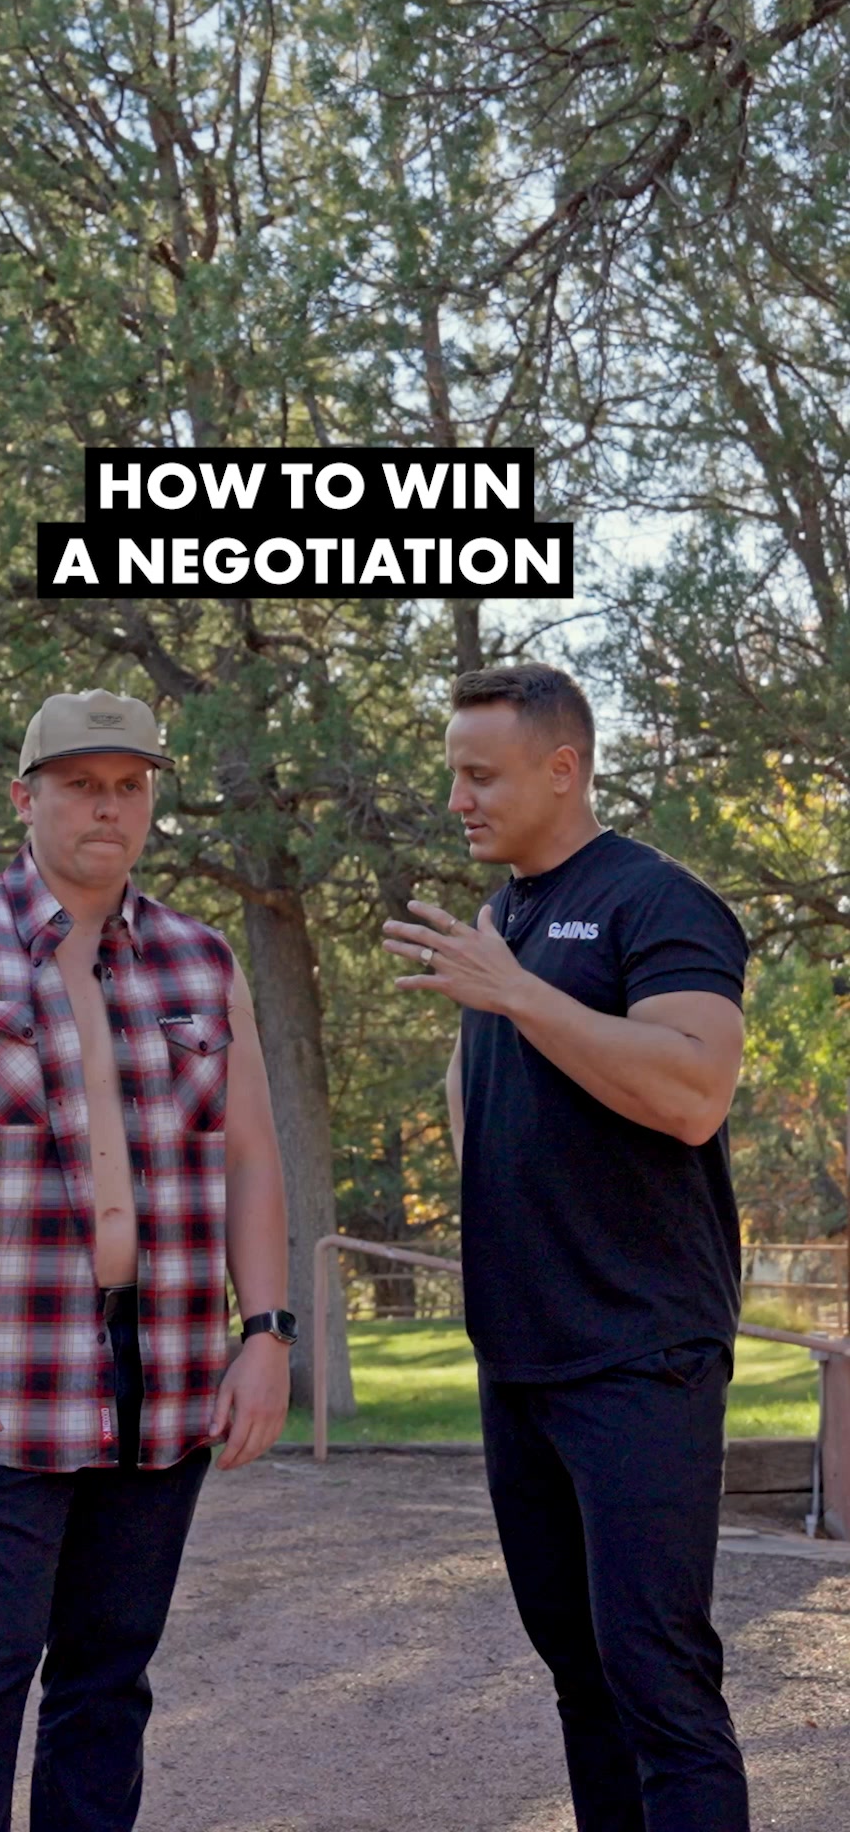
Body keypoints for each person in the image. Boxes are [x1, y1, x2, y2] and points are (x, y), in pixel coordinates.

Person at [0, 687, 296, 1832]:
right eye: (82, 785)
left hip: (163, 1375)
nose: (109, 807)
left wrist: (266, 1334)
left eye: (131, 786)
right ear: (25, 796)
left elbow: (251, 1156)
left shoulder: (200, 960)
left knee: (109, 1679)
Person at [383, 662, 751, 1832]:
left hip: (640, 1353)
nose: (458, 800)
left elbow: (693, 1091)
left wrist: (518, 993)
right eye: (453, 775)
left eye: (480, 775)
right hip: (523, 1357)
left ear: (562, 768)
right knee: (582, 1681)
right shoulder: (504, 923)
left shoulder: (658, 901)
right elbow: (477, 1097)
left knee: (659, 1682)